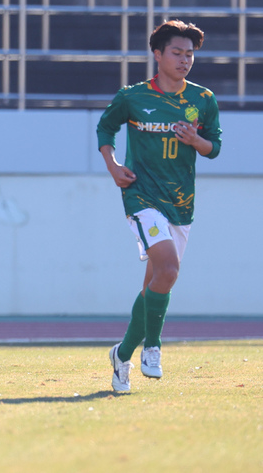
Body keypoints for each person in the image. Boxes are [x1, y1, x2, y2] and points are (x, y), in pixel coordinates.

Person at [98, 20, 222, 392]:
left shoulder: (203, 99)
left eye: (190, 55)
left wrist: (196, 140)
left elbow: (214, 147)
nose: (185, 60)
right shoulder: (133, 97)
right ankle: (153, 345)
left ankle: (122, 355)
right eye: (178, 53)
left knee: (156, 281)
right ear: (157, 54)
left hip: (181, 202)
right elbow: (106, 128)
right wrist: (114, 165)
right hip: (142, 197)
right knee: (168, 269)